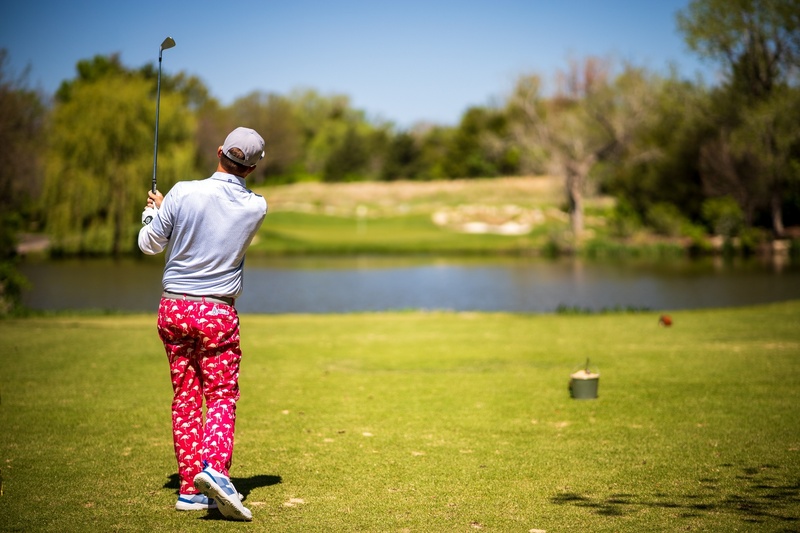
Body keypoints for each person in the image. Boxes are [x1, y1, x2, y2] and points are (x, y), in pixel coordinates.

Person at [138, 127, 268, 521]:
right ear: (253, 168)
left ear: (219, 151)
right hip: (216, 312)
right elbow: (215, 220)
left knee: (186, 397)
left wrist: (153, 215)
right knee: (222, 395)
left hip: (174, 309)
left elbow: (149, 244)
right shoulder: (256, 206)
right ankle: (213, 470)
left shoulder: (182, 193)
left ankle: (190, 490)